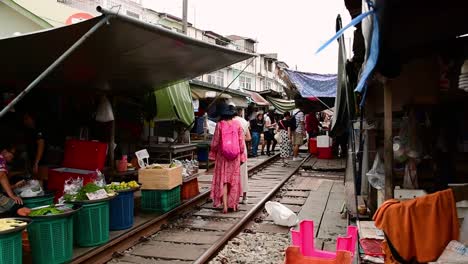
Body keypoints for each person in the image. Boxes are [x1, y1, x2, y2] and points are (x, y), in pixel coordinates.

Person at [209, 103, 246, 213]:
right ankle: (233, 205)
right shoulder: (238, 124)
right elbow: (241, 143)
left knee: (224, 181)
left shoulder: (220, 124)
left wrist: (212, 153)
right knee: (233, 181)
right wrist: (242, 156)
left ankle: (224, 206)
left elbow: (215, 142)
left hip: (222, 157)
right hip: (235, 157)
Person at [231, 105, 251, 204]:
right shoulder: (243, 121)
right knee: (243, 172)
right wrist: (241, 138)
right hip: (242, 148)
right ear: (239, 112)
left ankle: (233, 196)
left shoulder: (228, 121)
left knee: (231, 172)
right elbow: (248, 137)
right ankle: (244, 197)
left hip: (230, 148)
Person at [23, 112, 48, 187]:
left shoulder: (39, 130)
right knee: (35, 181)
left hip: (41, 162)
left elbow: (41, 145)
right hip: (33, 161)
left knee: (40, 181)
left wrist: (37, 162)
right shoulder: (29, 131)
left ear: (32, 119)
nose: (25, 121)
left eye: (27, 118)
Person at [0, 144, 25, 216]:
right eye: (11, 154)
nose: (12, 157)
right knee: (15, 207)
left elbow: (2, 175)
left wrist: (11, 194)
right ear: (4, 151)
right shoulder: (1, 158)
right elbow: (2, 175)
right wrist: (12, 195)